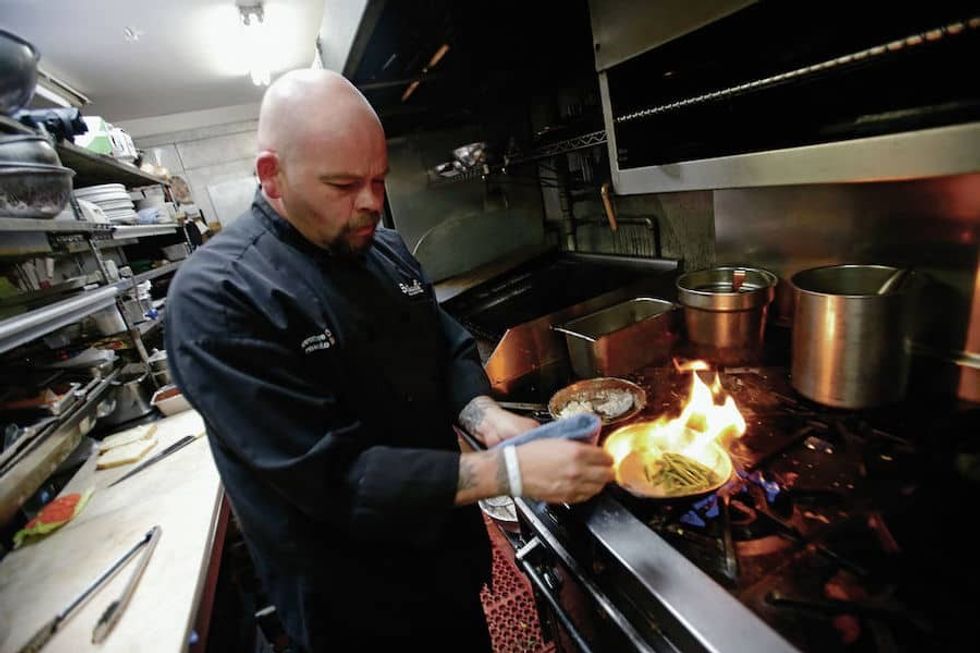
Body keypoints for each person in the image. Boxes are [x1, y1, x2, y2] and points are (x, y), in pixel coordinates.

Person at [164, 69, 614, 651]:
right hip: (355, 602)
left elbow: (443, 343)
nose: (371, 204)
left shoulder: (386, 249)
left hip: (445, 557)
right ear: (272, 176)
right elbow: (331, 478)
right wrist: (509, 473)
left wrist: (485, 418)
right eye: (343, 184)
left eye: (379, 179)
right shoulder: (219, 298)